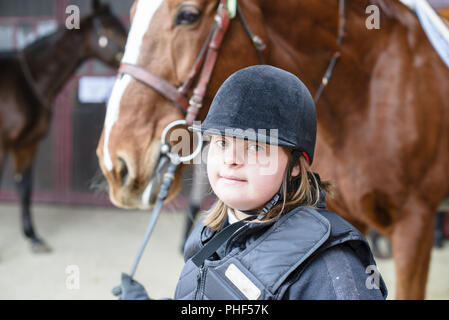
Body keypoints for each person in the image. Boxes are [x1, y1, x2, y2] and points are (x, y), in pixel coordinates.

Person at [113, 65, 388, 300]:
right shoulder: (210, 232)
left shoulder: (331, 270)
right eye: (221, 142)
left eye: (255, 147)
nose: (231, 159)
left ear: (295, 166)